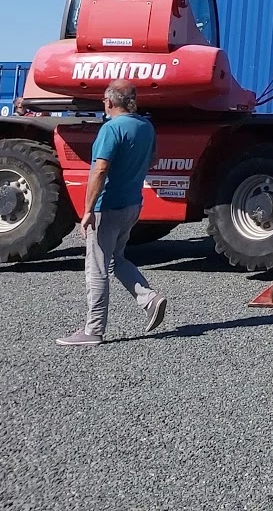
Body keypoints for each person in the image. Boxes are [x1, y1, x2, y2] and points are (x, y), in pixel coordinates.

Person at [56, 80, 169, 346]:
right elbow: (152, 159)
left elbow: (99, 169)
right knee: (115, 259)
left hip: (107, 207)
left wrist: (87, 210)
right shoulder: (146, 126)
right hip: (132, 204)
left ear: (108, 102)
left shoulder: (111, 129)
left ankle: (93, 330)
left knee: (96, 268)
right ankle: (149, 299)